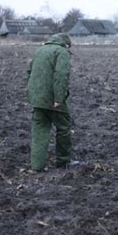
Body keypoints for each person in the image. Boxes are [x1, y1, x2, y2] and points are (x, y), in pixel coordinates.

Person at [26, 33, 78, 172]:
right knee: (63, 128)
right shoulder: (62, 52)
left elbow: (29, 72)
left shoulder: (39, 50)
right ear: (65, 43)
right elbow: (61, 76)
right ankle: (63, 161)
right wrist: (58, 99)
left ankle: (37, 166)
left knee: (39, 130)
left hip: (36, 99)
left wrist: (31, 94)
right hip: (52, 99)